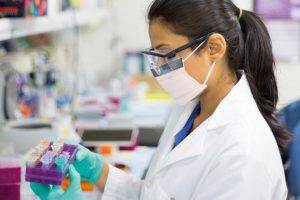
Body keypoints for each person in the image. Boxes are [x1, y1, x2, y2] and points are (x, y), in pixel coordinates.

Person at [30, 0, 291, 199]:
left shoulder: (243, 152)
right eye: (155, 55)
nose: (160, 69)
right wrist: (101, 173)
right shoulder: (192, 108)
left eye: (167, 54)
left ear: (214, 48)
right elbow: (160, 193)